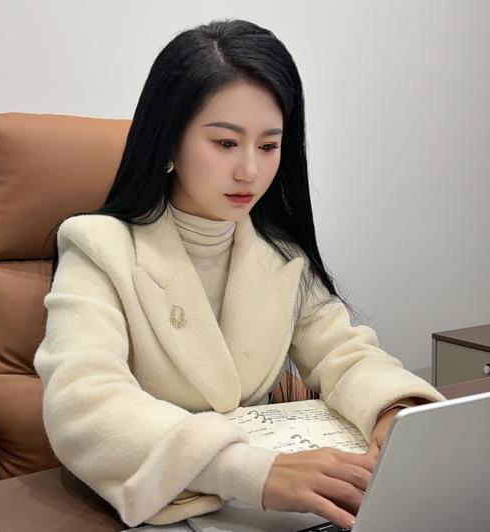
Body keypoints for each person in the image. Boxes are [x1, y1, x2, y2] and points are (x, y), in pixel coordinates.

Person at [33, 18, 444, 530]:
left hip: (259, 510)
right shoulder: (99, 246)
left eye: (268, 146)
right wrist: (251, 472)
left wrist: (397, 414)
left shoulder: (280, 253)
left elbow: (343, 352)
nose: (250, 170)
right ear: (168, 142)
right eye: (226, 143)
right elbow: (82, 401)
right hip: (165, 504)